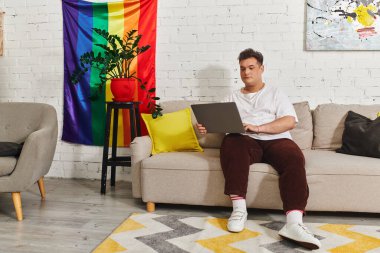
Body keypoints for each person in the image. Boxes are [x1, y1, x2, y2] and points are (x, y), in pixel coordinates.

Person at [196, 49, 321, 250]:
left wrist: (260, 128)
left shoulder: (275, 93)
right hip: (246, 142)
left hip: (276, 140)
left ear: (261, 69)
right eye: (243, 69)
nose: (246, 72)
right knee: (231, 142)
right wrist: (206, 127)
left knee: (294, 157)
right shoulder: (232, 96)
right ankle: (239, 210)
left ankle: (294, 223)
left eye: (251, 68)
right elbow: (223, 124)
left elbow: (289, 122)